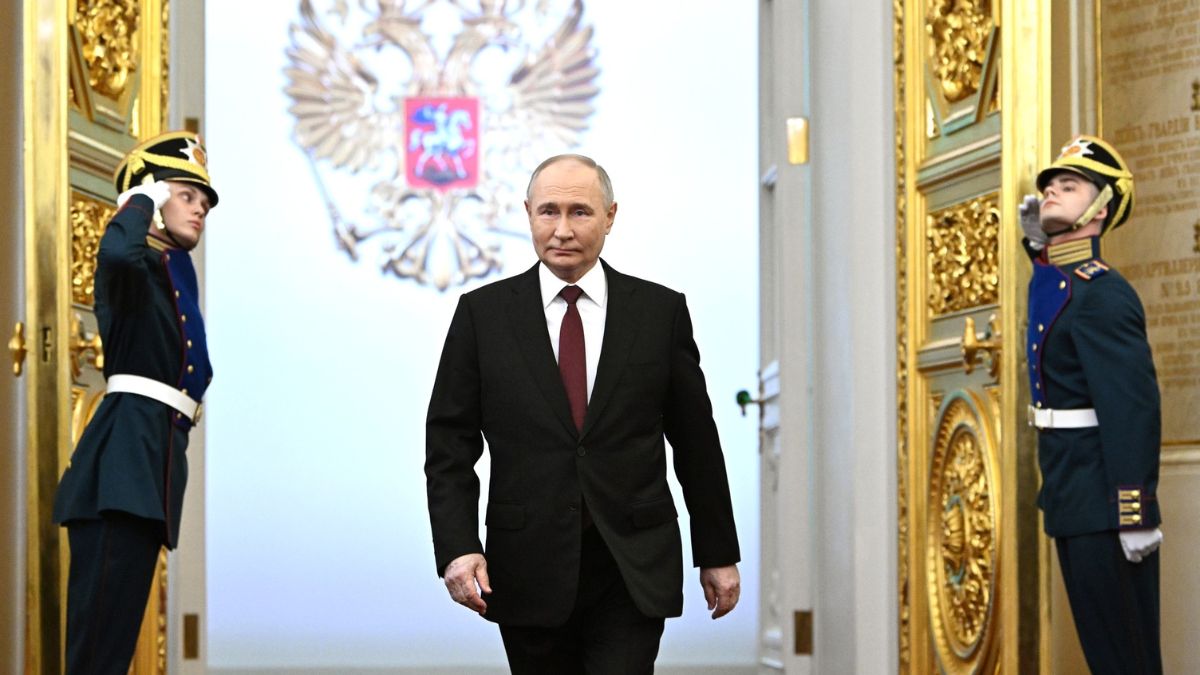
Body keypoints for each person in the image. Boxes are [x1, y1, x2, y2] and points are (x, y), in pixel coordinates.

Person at [425, 154, 741, 673]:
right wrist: (458, 548)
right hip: (527, 565)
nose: (563, 229)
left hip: (632, 564)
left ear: (611, 216)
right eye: (549, 211)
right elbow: (449, 446)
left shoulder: (659, 313)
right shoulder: (483, 316)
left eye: (581, 212)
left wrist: (717, 550)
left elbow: (697, 442)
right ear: (527, 213)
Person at [52, 130, 217, 673]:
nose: (199, 210)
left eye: (204, 202)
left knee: (113, 652)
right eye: (186, 195)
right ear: (148, 198)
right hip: (119, 473)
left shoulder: (174, 273)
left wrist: (158, 196)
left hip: (150, 472)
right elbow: (120, 250)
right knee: (95, 655)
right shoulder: (130, 265)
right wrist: (139, 196)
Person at [1020, 135, 1162, 674]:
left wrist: (1135, 511)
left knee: (1128, 661)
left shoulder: (1104, 293)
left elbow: (1132, 410)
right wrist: (1035, 244)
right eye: (1049, 186)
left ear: (1101, 208)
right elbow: (1050, 284)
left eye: (1070, 186)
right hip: (1073, 498)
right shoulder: (1064, 281)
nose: (1052, 191)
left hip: (1106, 505)